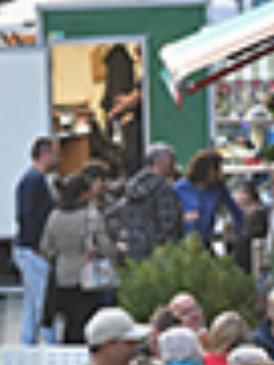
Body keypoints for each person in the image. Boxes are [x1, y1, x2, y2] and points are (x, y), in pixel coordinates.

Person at [39, 173, 117, 344]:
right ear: (82, 194)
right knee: (86, 322)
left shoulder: (55, 216)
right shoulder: (91, 216)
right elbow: (104, 245)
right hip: (87, 276)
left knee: (69, 321)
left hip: (63, 276)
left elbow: (46, 247)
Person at [14, 137, 61, 346]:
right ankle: (50, 344)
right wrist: (38, 247)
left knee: (32, 303)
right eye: (56, 154)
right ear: (45, 155)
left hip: (28, 248)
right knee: (42, 301)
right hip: (32, 250)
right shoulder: (35, 181)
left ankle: (29, 342)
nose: (59, 158)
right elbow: (27, 216)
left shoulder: (34, 179)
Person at [114, 143, 183, 264]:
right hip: (158, 255)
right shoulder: (164, 188)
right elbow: (168, 223)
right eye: (172, 160)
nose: (174, 165)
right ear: (163, 162)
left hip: (134, 251)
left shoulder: (132, 186)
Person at [179, 147, 240, 245]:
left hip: (206, 240)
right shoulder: (180, 189)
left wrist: (240, 230)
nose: (220, 173)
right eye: (216, 169)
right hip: (184, 242)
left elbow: (235, 210)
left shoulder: (219, 188)